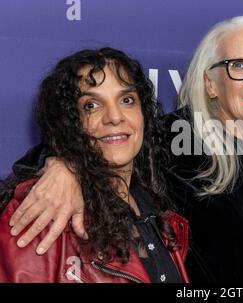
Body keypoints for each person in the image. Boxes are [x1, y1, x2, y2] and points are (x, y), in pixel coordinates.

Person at [6, 16, 243, 282]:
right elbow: (102, 140)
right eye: (238, 65)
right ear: (210, 84)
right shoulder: (175, 139)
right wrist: (63, 166)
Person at [0, 48, 189, 283]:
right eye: (91, 105)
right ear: (70, 123)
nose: (115, 116)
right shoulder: (43, 209)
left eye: (127, 100)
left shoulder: (158, 212)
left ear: (144, 115)